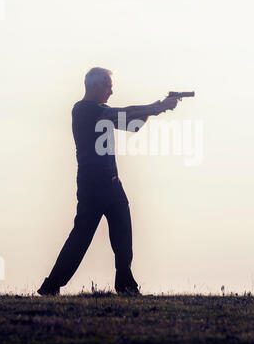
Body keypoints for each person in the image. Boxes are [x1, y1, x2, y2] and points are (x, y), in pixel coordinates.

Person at [37, 67, 179, 296]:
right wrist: (157, 106)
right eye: (108, 87)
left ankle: (125, 285)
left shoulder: (101, 111)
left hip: (112, 183)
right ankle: (51, 285)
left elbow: (133, 123)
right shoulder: (83, 110)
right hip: (93, 184)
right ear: (94, 86)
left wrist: (157, 110)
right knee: (81, 237)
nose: (111, 92)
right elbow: (121, 113)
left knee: (123, 234)